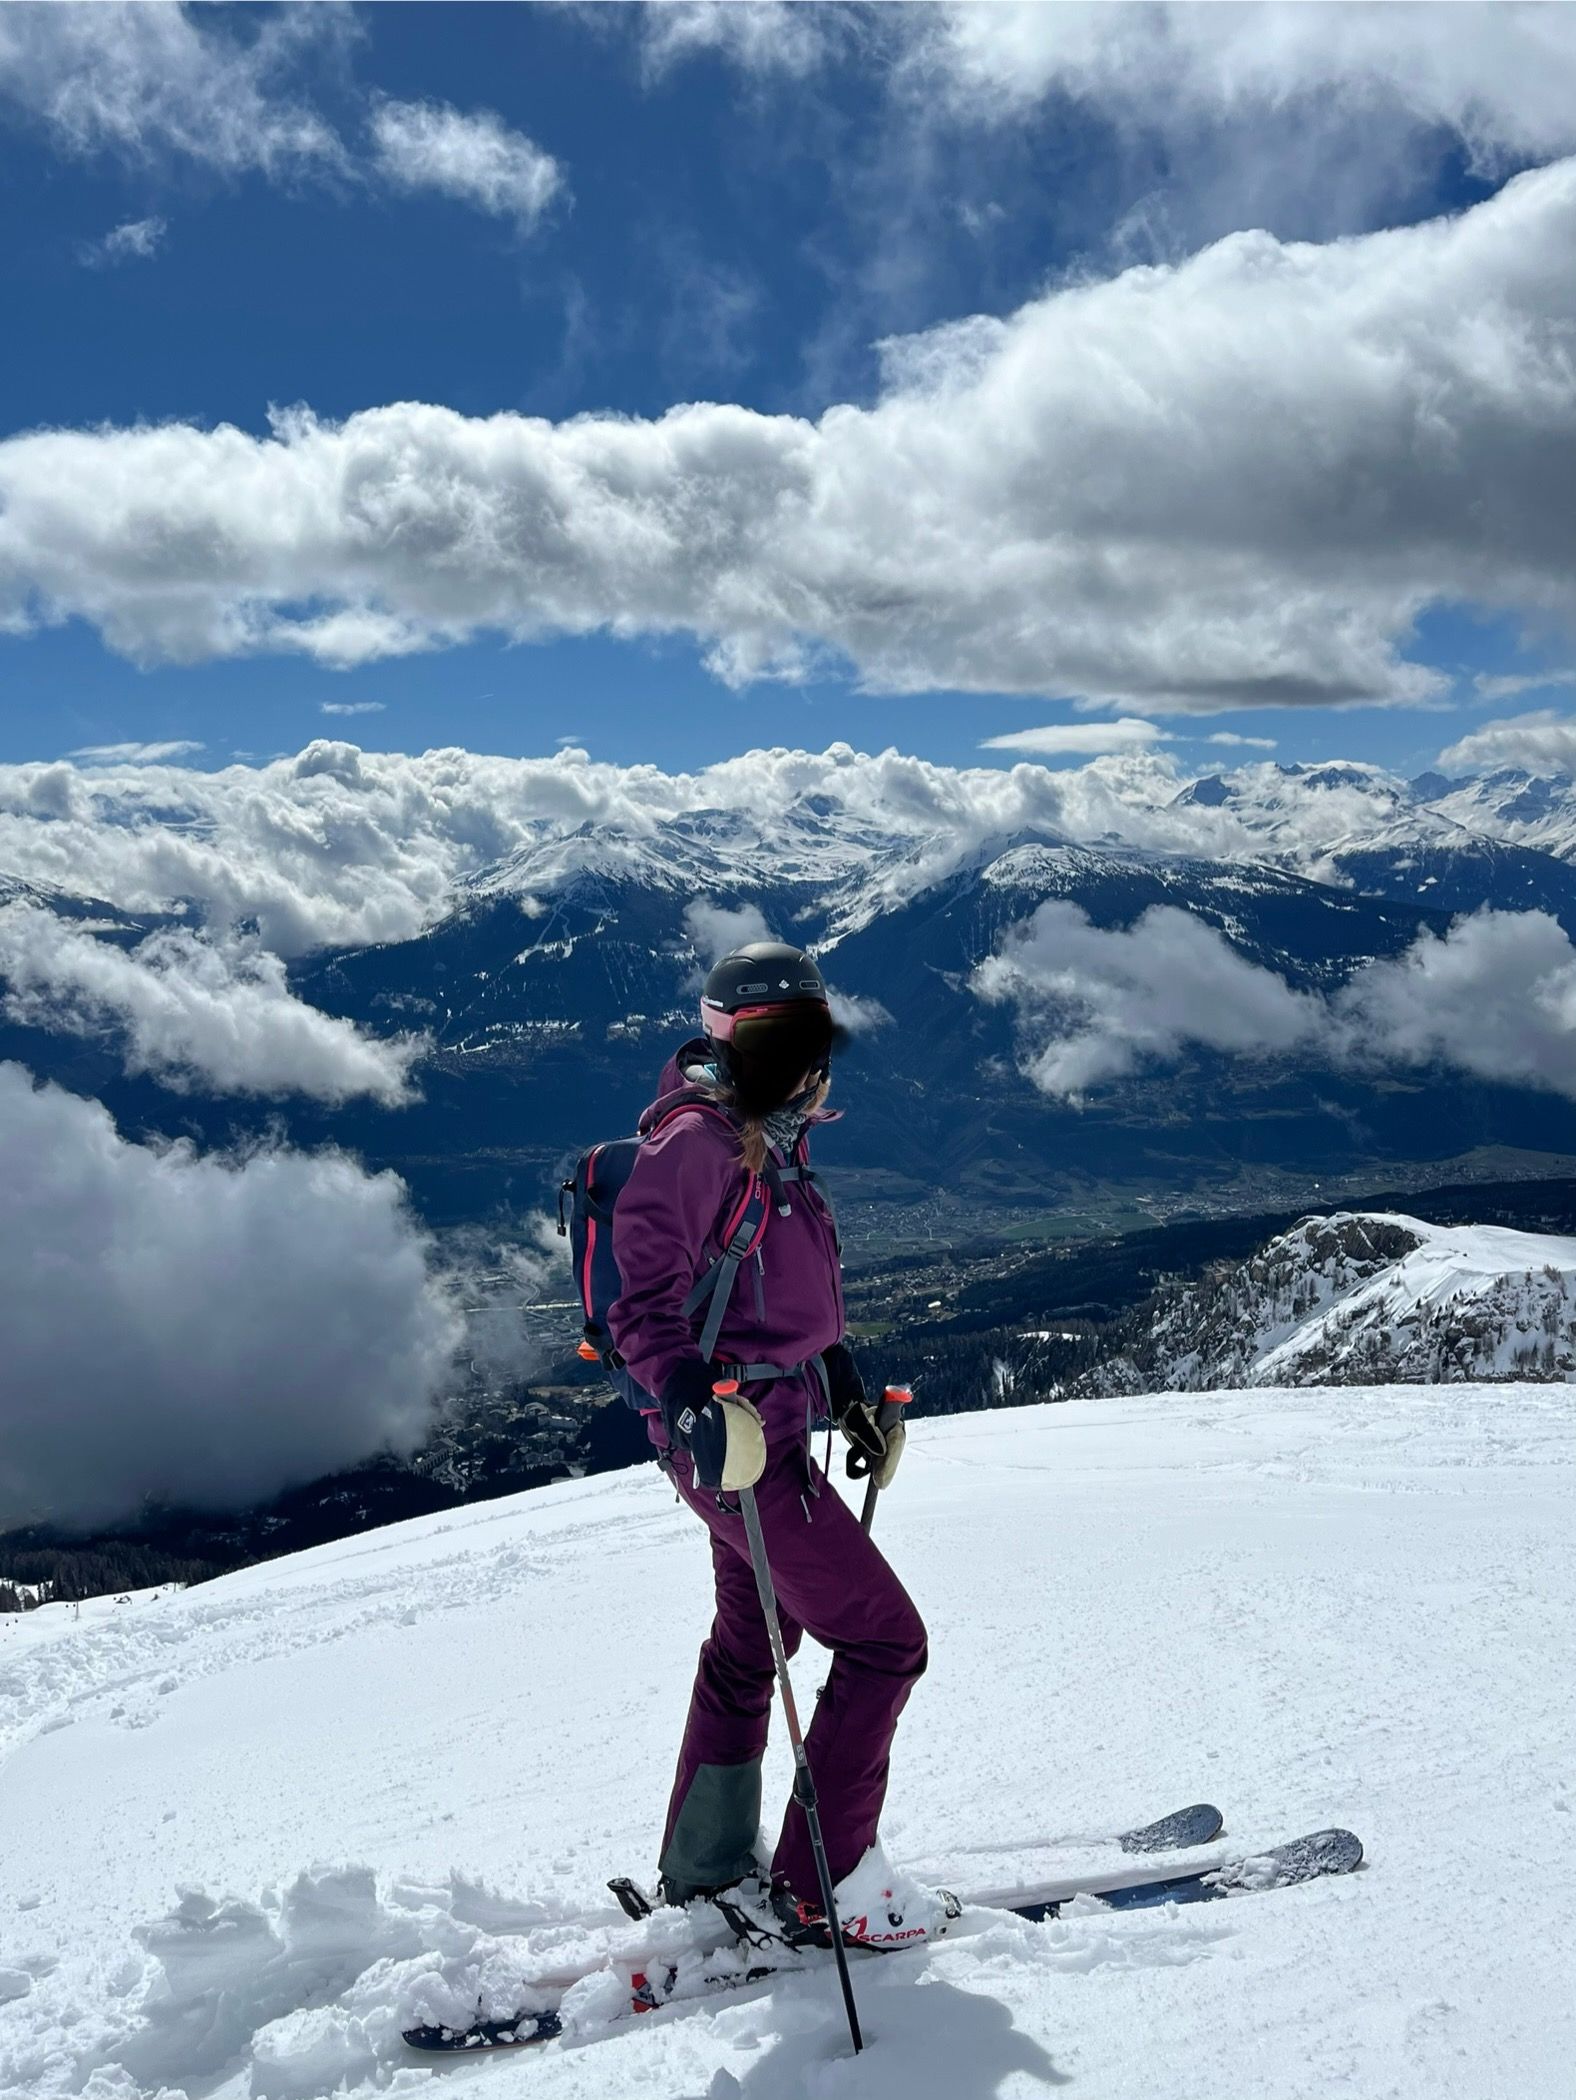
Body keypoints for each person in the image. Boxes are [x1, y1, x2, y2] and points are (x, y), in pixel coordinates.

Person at [607, 940, 952, 1947]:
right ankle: (825, 1886)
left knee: (755, 1638)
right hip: (736, 1443)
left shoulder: (774, 1135)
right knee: (886, 1642)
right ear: (725, 1040)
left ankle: (706, 1866)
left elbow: (774, 1301)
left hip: (772, 1428)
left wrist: (840, 1385)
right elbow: (641, 1307)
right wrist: (694, 1411)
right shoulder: (698, 1143)